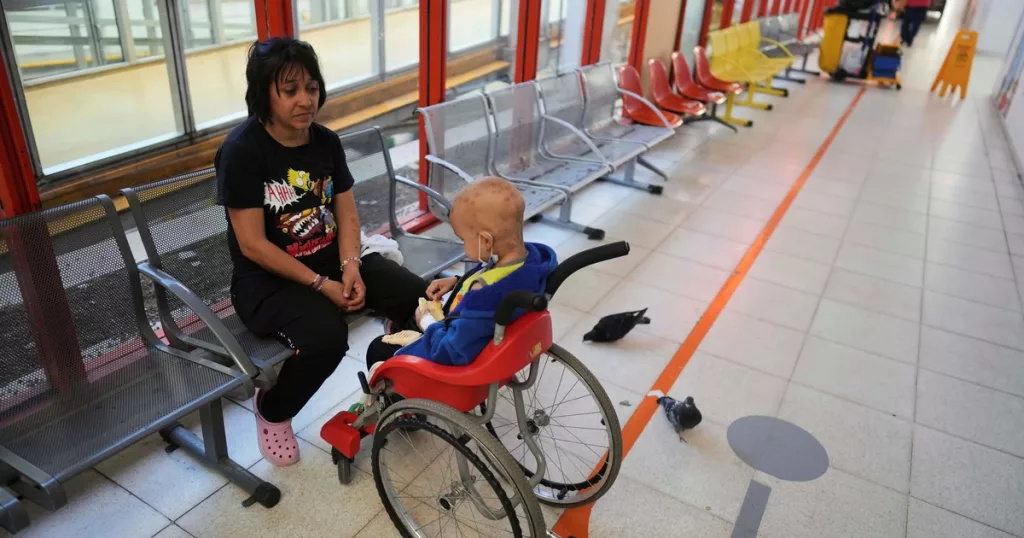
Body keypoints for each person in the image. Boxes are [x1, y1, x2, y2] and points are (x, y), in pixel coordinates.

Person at [216, 38, 427, 466]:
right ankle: (273, 409)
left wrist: (350, 267)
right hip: (267, 282)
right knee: (327, 339)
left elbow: (347, 214)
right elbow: (253, 245)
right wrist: (321, 284)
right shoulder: (242, 151)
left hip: (331, 260)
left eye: (311, 88)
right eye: (290, 90)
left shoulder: (325, 142)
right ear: (264, 94)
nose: (305, 100)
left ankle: (396, 386)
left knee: (417, 297)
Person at [361, 177, 557, 378]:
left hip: (455, 363)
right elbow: (491, 275)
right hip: (491, 339)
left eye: (463, 239)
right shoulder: (529, 262)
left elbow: (452, 350)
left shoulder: (483, 297)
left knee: (378, 348)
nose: (463, 244)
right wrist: (459, 282)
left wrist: (427, 322)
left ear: (486, 241)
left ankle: (400, 395)